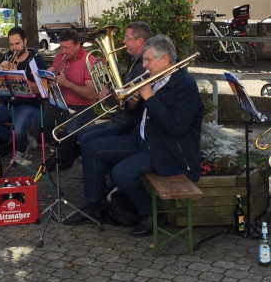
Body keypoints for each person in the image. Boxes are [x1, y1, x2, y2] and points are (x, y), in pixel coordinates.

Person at [66, 35, 202, 235]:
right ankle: (94, 205)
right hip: (144, 139)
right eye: (144, 60)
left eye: (148, 60)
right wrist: (133, 103)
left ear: (165, 59)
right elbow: (144, 115)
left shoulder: (185, 85)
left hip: (168, 149)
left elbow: (175, 126)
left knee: (121, 173)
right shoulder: (156, 79)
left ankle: (150, 213)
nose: (144, 65)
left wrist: (149, 97)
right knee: (92, 147)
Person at [0, 26, 47, 162]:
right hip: (8, 104)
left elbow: (42, 88)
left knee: (19, 130)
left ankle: (20, 148)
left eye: (17, 44)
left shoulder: (36, 60)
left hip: (29, 105)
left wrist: (18, 77)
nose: (14, 48)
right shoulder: (6, 57)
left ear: (25, 41)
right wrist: (1, 72)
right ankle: (19, 140)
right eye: (11, 44)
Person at [76, 22, 153, 145]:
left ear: (139, 41)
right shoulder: (134, 61)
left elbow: (127, 99)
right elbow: (122, 84)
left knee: (87, 139)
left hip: (127, 123)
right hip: (121, 119)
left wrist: (106, 96)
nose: (123, 41)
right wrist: (106, 71)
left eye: (127, 38)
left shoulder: (143, 66)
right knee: (83, 134)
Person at [44, 28, 96, 170]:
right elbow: (53, 86)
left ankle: (58, 158)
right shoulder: (59, 57)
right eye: (61, 47)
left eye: (67, 47)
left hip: (83, 107)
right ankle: (69, 151)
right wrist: (49, 77)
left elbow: (91, 94)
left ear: (78, 45)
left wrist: (67, 83)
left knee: (70, 131)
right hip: (61, 104)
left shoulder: (89, 61)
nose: (63, 51)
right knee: (38, 126)